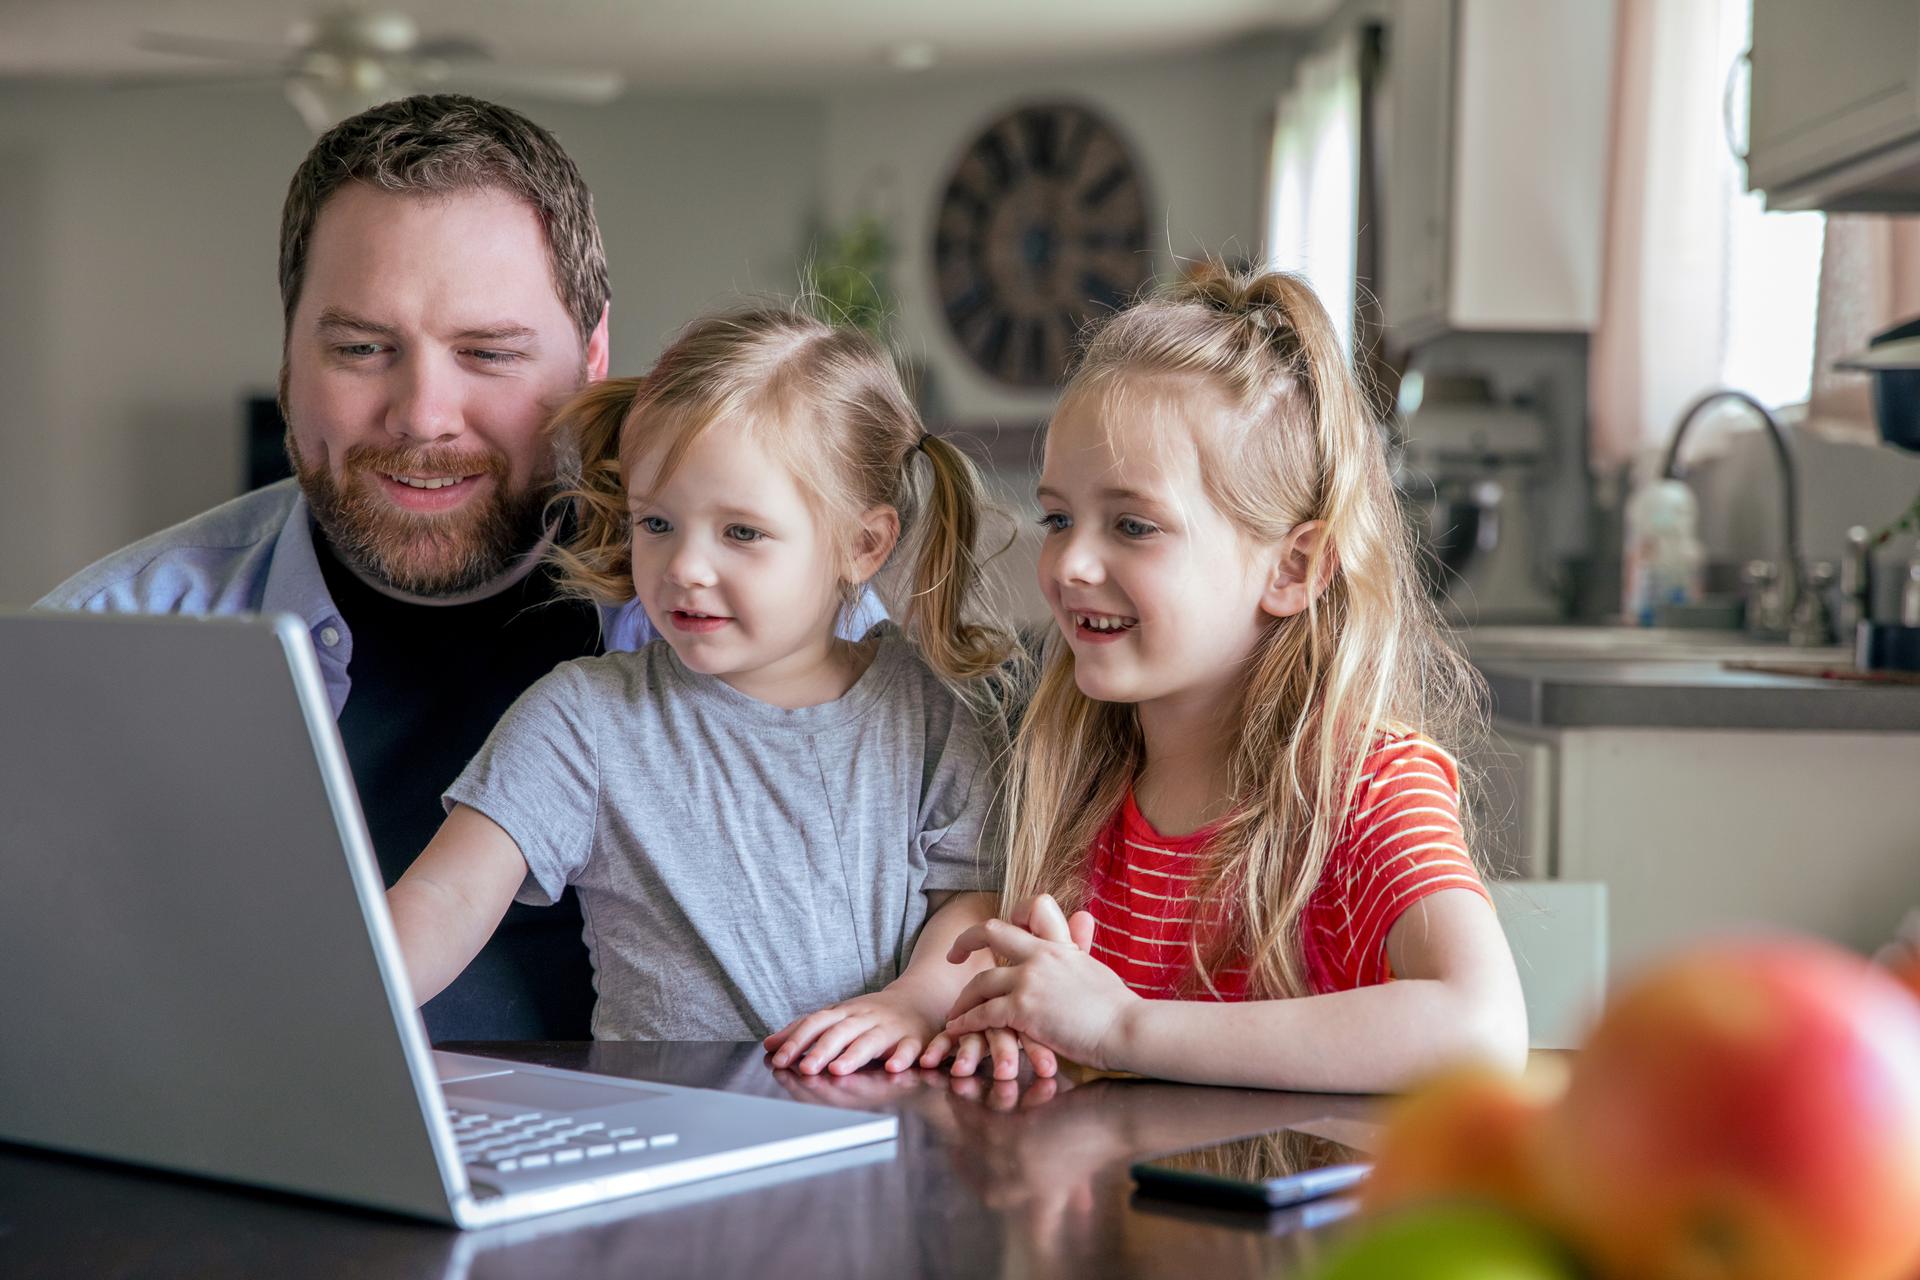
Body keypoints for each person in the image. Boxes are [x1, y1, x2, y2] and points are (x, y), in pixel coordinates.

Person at [34, 95, 637, 1040]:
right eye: (361, 349)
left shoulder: (791, 635)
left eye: (488, 353)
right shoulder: (89, 654)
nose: (422, 416)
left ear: (594, 359)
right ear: (288, 358)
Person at [385, 305, 1033, 1079]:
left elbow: (972, 902)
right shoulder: (583, 719)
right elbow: (446, 902)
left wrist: (915, 1004)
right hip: (664, 1123)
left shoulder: (929, 714)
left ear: (862, 545)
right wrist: (326, 1006)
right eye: (657, 523)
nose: (685, 568)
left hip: (882, 1120)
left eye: (741, 533)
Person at [924, 265, 1529, 1091]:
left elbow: (1482, 1031)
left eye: (1133, 526)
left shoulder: (1367, 789)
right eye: (1058, 517)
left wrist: (1120, 1027)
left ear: (1293, 567)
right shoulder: (1073, 773)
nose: (1068, 563)